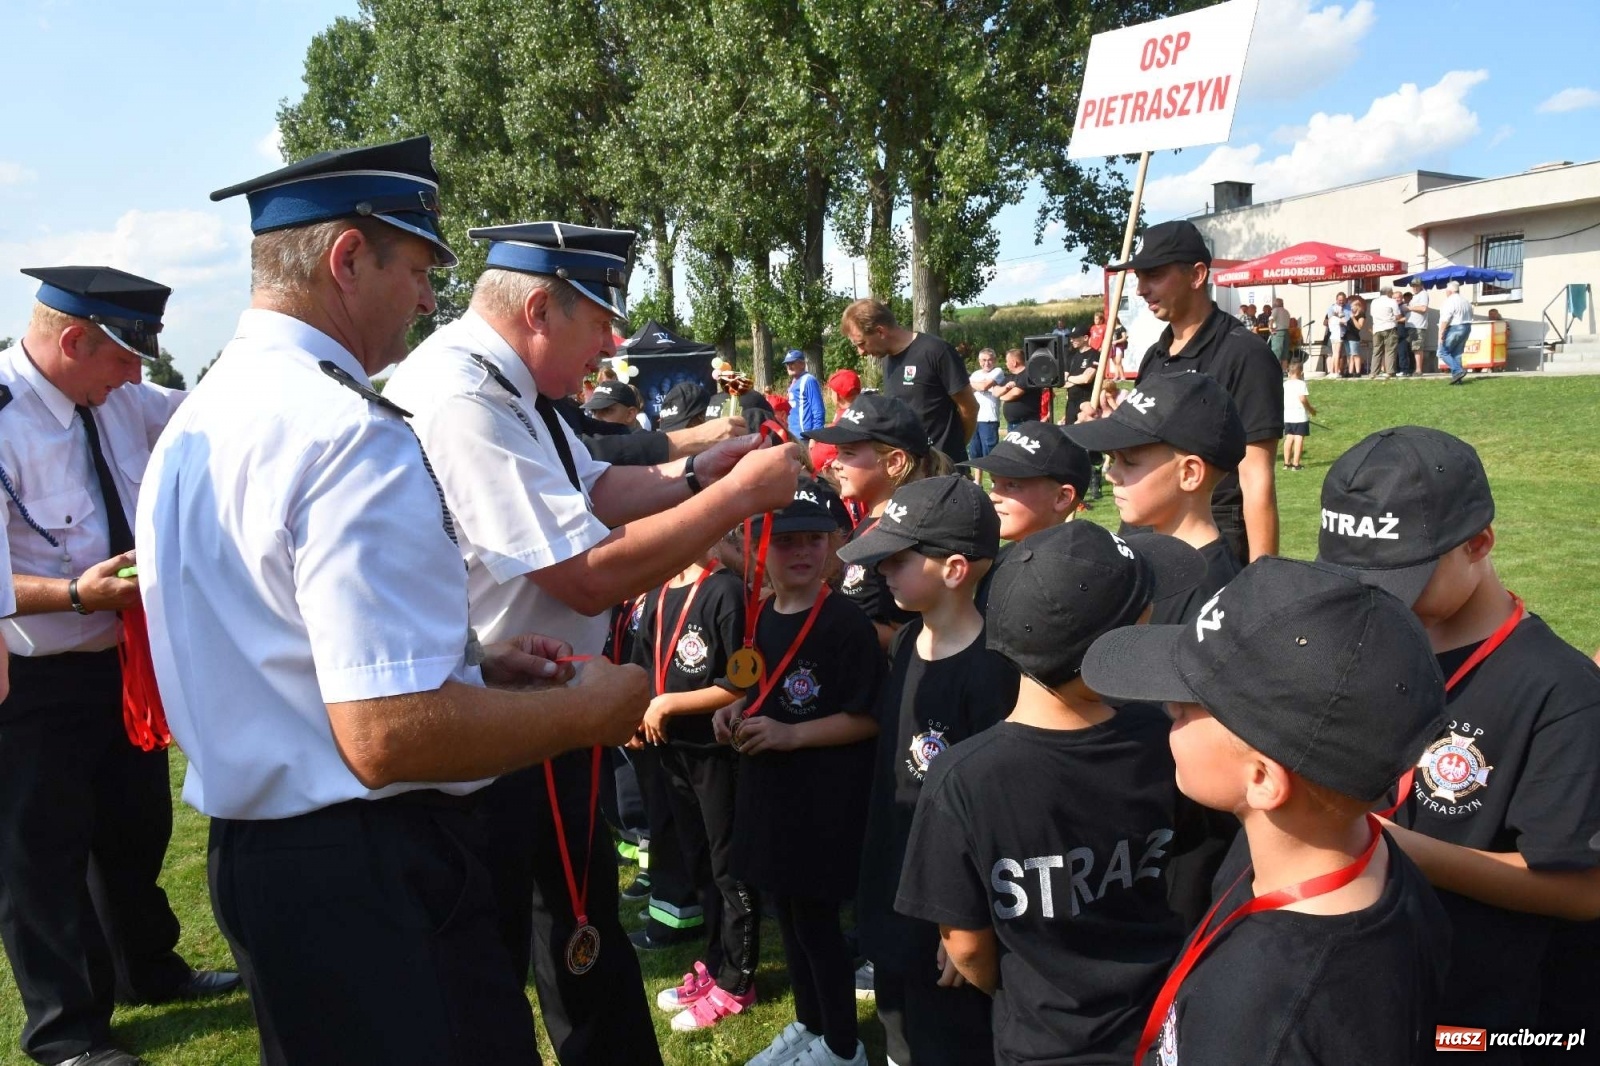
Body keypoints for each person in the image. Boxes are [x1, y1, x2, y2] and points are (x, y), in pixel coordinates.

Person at [140, 137, 651, 1065]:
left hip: (263, 861)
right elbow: (388, 737)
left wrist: (467, 662)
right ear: (346, 259)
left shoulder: (196, 422)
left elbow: (274, 645)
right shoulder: (345, 431)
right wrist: (589, 710)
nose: (428, 299)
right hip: (371, 870)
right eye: (415, 268)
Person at [382, 219, 802, 1055]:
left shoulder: (505, 385)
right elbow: (585, 574)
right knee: (531, 946)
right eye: (599, 320)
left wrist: (692, 474)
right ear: (540, 308)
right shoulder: (466, 399)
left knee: (580, 931)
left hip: (543, 703)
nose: (612, 342)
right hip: (502, 729)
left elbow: (595, 484)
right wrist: (735, 500)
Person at [0, 267, 238, 1066]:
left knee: (137, 832)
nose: (140, 375)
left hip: (124, 666)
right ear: (73, 341)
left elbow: (219, 415)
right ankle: (66, 1033)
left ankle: (151, 971)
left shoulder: (126, 402)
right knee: (43, 859)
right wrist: (75, 592)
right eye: (123, 358)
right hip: (35, 679)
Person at [1082, 557, 1453, 1066]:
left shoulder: (1258, 1022)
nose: (1168, 711)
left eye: (1187, 707)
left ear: (1261, 779)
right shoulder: (1369, 863)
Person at [1317, 427, 1600, 1055]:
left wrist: (1388, 844)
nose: (1374, 596)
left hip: (1490, 1019)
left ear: (1479, 544)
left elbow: (1584, 889)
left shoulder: (1560, 690)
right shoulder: (1365, 644)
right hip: (1371, 991)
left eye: (1402, 576)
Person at [896, 523, 1207, 1065]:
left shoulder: (963, 777)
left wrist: (1013, 988)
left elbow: (965, 944)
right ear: (1116, 645)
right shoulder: (1162, 738)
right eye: (1144, 607)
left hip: (1043, 1038)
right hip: (1167, 1017)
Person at [843, 476, 1020, 1066]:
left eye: (896, 559)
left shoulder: (994, 670)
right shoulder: (906, 642)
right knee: (898, 1031)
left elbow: (998, 807)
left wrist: (971, 922)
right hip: (892, 875)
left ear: (954, 569)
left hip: (950, 907)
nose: (881, 573)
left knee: (949, 1039)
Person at [712, 481, 886, 1066]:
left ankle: (842, 1044)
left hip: (821, 800)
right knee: (788, 919)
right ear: (760, 549)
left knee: (817, 926)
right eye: (786, 541)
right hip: (771, 797)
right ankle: (811, 1024)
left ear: (835, 544)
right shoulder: (759, 617)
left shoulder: (845, 623)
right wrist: (737, 707)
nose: (803, 552)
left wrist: (791, 735)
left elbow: (867, 719)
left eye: (814, 538)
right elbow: (763, 685)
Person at [1079, 220, 1281, 567]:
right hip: (1143, 533)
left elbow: (1256, 477)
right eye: (1139, 277)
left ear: (1197, 275)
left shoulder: (1244, 354)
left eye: (1153, 275)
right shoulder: (1155, 357)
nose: (1141, 289)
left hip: (1208, 540)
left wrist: (1261, 589)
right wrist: (1113, 428)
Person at [629, 549, 754, 1028]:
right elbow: (642, 665)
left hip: (713, 750)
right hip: (670, 748)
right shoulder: (660, 588)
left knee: (727, 865)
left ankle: (738, 980)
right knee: (698, 860)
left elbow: (741, 682)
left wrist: (667, 704)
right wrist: (638, 711)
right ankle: (715, 960)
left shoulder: (724, 591)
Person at [1067, 370, 1246, 629]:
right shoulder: (1135, 553)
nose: (1111, 474)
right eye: (1113, 458)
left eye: (1128, 461)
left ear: (1189, 473)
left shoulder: (1209, 601)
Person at [805, 393, 950, 651]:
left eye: (848, 453)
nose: (835, 464)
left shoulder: (903, 539)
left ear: (894, 462)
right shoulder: (873, 522)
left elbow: (911, 638)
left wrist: (825, 613)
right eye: (837, 453)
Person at [967, 421, 1092, 614]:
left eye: (1011, 485)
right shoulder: (1000, 558)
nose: (993, 496)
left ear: (1062, 497)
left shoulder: (1073, 578)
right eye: (993, 482)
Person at [840, 299, 976, 465]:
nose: (861, 352)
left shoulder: (936, 351)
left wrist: (954, 449)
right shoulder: (887, 360)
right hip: (908, 469)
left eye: (861, 343)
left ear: (880, 331)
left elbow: (969, 407)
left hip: (943, 469)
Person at [808, 368, 861, 472]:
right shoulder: (859, 412)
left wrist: (813, 449)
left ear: (837, 396)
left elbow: (828, 452)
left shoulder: (845, 417)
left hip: (834, 473)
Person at [966, 348, 1006, 470]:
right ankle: (978, 482)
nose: (987, 363)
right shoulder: (976, 374)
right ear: (979, 361)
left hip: (989, 418)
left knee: (989, 452)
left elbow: (983, 386)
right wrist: (978, 384)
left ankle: (995, 480)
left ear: (994, 360)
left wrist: (975, 384)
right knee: (975, 453)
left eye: (990, 360)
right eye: (983, 360)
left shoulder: (998, 371)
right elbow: (968, 389)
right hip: (975, 418)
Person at [994, 348, 1045, 432]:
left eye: (1007, 361)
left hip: (1026, 423)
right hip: (1012, 424)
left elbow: (1015, 393)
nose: (1006, 364)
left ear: (1014, 363)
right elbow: (995, 392)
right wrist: (1006, 388)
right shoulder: (1010, 377)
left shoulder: (1029, 375)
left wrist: (1001, 396)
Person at [1280, 360, 1316, 471]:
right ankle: (1296, 464)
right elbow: (1302, 399)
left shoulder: (1284, 384)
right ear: (1300, 372)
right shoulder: (1301, 384)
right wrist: (1311, 410)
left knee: (1289, 437)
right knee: (1299, 438)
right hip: (1299, 415)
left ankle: (1286, 463)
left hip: (1287, 415)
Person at [1437, 280, 1474, 385]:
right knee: (1457, 354)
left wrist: (1441, 333)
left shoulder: (1449, 301)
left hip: (1455, 327)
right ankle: (1458, 380)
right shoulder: (1465, 301)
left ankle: (1458, 371)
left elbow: (1445, 319)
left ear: (1449, 291)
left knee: (1442, 352)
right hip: (1466, 327)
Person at [785, 350, 826, 441]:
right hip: (794, 434)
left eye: (792, 363)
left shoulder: (808, 380)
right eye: (787, 364)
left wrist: (815, 436)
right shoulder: (794, 382)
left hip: (805, 436)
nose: (789, 366)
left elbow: (818, 410)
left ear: (802, 364)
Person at [1368, 286, 1401, 380]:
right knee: (1390, 350)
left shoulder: (1374, 302)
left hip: (1377, 328)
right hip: (1389, 327)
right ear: (1389, 293)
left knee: (1377, 351)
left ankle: (1373, 372)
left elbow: (1372, 314)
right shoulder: (1392, 301)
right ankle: (1390, 372)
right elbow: (1397, 315)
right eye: (1391, 292)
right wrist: (1395, 318)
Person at [1403, 279, 1430, 377]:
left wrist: (1408, 308)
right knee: (1414, 348)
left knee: (1417, 347)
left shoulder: (1423, 294)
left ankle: (1418, 369)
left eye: (1416, 286)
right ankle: (1415, 368)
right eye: (1412, 286)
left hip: (1418, 326)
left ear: (1421, 285)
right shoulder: (1415, 296)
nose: (1414, 288)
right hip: (1412, 326)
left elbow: (1423, 308)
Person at [1324, 292, 1351, 377]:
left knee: (1334, 354)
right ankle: (1336, 371)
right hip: (1338, 335)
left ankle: (1332, 371)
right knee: (1336, 354)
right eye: (1339, 300)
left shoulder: (1332, 318)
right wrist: (1341, 316)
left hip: (1333, 336)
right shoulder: (1337, 318)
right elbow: (1345, 322)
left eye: (1343, 300)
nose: (1341, 302)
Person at [1346, 296, 1369, 377]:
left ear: (1357, 306)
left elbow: (1359, 326)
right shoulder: (1350, 314)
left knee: (1355, 354)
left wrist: (1353, 318)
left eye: (1352, 306)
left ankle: (1358, 371)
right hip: (1347, 337)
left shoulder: (1361, 314)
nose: (1351, 308)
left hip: (1354, 337)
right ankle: (1350, 371)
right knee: (1350, 355)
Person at [1268, 297, 1292, 367]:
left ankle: (1276, 371)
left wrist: (1270, 328)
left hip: (1278, 332)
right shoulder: (1286, 311)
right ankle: (1284, 372)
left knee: (1276, 353)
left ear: (1276, 304)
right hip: (1286, 332)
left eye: (1274, 303)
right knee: (1285, 354)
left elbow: (1271, 320)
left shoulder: (1276, 310)